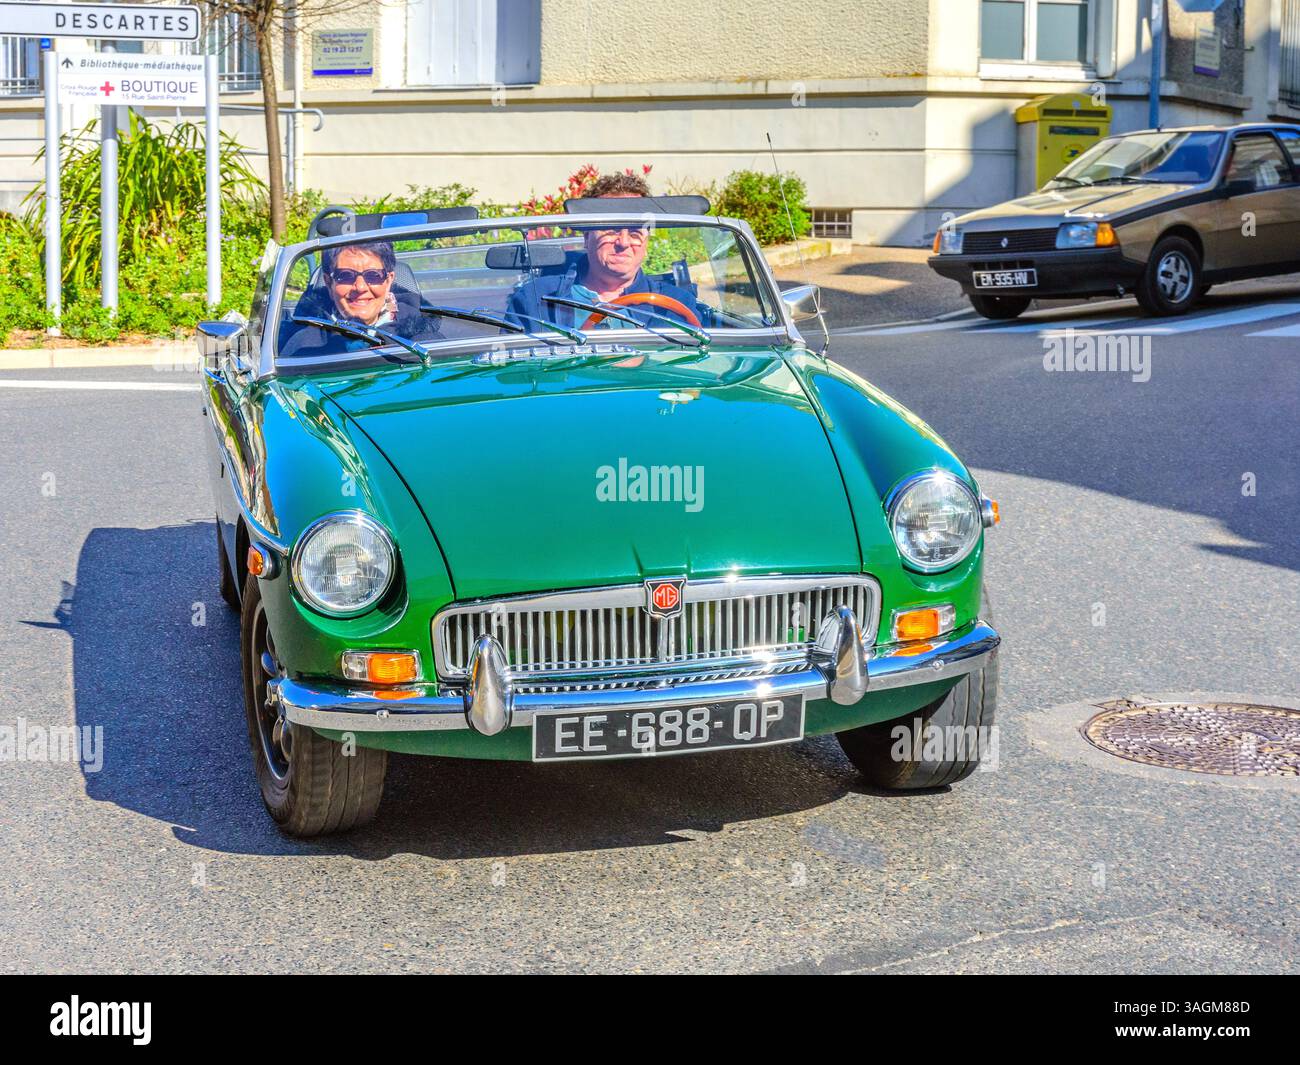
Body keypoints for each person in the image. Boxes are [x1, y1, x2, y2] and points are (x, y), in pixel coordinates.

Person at [505, 172, 714, 333]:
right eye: (611, 229)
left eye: (635, 231)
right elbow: (515, 375)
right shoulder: (535, 301)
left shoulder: (676, 305)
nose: (623, 242)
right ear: (586, 236)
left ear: (647, 240)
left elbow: (693, 372)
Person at [279, 240, 440, 358]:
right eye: (345, 276)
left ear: (389, 280)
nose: (360, 287)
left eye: (373, 275)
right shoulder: (301, 348)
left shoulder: (425, 342)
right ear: (329, 283)